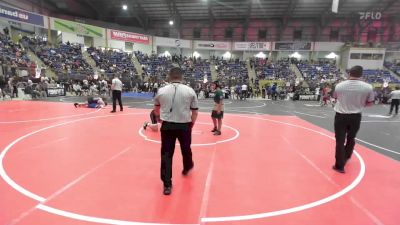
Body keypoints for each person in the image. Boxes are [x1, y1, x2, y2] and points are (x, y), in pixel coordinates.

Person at [153, 67, 199, 195]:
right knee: (186, 148)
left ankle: (167, 185)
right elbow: (195, 111)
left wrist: (159, 118)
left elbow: (156, 109)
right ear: (182, 77)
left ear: (169, 76)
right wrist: (192, 124)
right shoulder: (190, 91)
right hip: (184, 125)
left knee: (166, 154)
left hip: (167, 126)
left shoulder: (161, 91)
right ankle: (188, 166)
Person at [332, 66, 374, 173]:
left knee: (340, 140)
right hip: (355, 116)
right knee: (351, 138)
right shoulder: (368, 87)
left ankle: (339, 166)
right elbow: (370, 104)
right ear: (361, 74)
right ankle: (347, 156)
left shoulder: (340, 85)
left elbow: (335, 98)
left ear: (349, 73)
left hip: (341, 115)